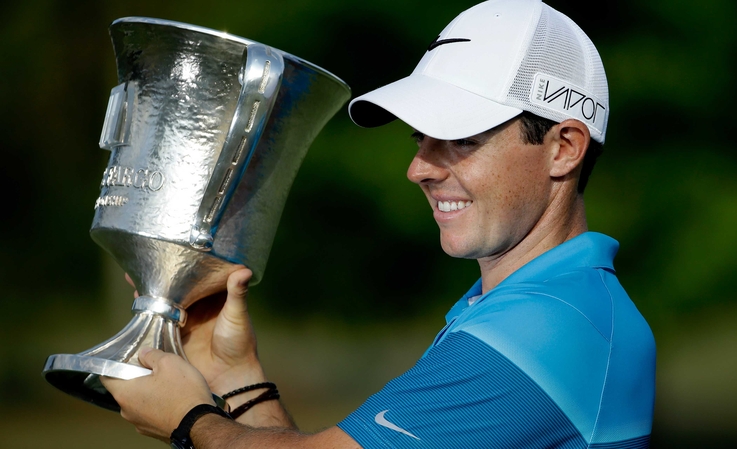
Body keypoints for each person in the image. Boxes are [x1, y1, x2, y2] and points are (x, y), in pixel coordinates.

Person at [102, 0, 656, 448]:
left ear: (564, 148)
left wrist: (190, 420)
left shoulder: (548, 328)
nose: (418, 169)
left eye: (462, 139)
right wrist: (235, 375)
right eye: (421, 139)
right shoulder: (543, 309)